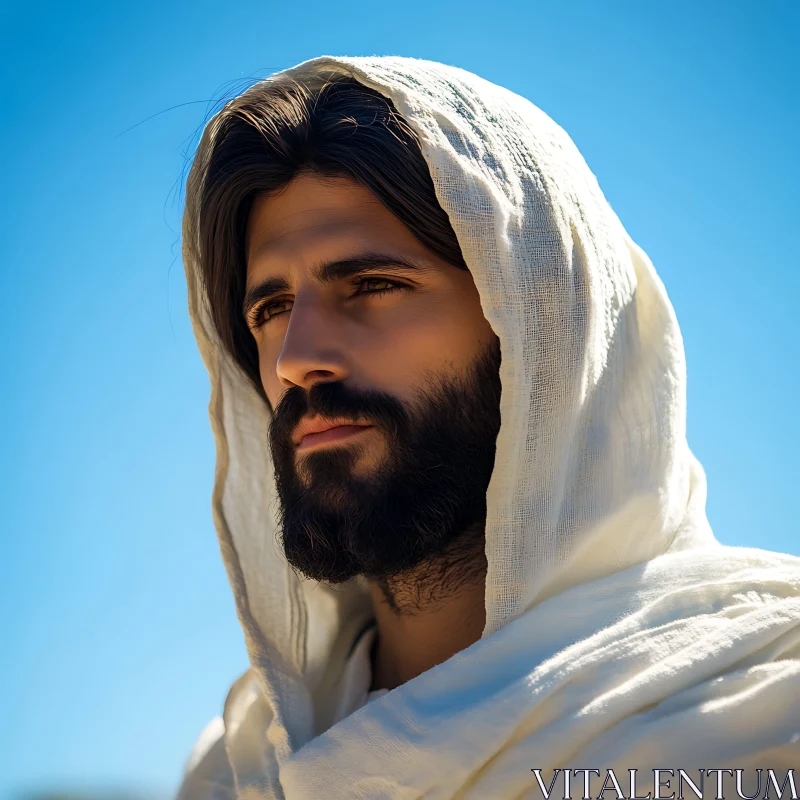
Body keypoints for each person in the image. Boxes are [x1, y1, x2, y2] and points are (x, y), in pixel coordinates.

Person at [178, 57, 799, 799]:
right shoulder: (236, 771)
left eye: (374, 286)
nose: (297, 359)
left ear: (542, 331)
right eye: (270, 308)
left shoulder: (762, 717)